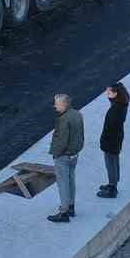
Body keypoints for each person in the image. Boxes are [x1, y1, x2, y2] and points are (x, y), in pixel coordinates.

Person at [47, 93, 84, 223]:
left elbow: (61, 140)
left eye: (56, 103)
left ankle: (64, 212)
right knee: (71, 180)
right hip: (74, 154)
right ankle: (71, 206)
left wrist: (55, 153)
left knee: (63, 184)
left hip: (63, 156)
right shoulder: (77, 114)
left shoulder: (63, 120)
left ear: (63, 104)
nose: (54, 105)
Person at [96, 82, 130, 199]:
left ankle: (112, 188)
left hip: (111, 140)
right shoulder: (121, 104)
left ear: (116, 94)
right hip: (117, 138)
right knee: (114, 160)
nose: (106, 93)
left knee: (110, 163)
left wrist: (103, 140)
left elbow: (110, 127)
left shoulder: (116, 110)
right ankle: (113, 183)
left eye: (109, 92)